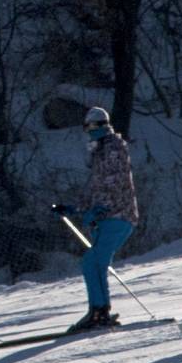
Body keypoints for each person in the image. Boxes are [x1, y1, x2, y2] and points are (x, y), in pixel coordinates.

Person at [66, 106, 139, 333]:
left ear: (101, 126)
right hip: (108, 217)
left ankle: (98, 311)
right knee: (97, 264)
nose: (88, 131)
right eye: (86, 127)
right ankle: (100, 310)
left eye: (91, 126)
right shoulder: (100, 151)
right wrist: (75, 208)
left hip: (118, 216)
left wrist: (99, 209)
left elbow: (113, 183)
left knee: (91, 262)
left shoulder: (112, 149)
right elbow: (97, 188)